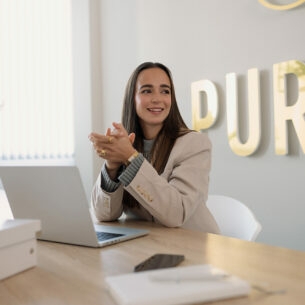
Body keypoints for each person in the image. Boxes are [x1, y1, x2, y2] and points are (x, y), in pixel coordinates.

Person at [89, 62, 219, 233]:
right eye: (147, 91)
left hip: (193, 246)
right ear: (132, 98)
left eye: (165, 91)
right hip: (148, 245)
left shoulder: (195, 144)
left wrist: (130, 157)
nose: (157, 98)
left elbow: (176, 213)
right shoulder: (126, 144)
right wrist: (112, 167)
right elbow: (103, 215)